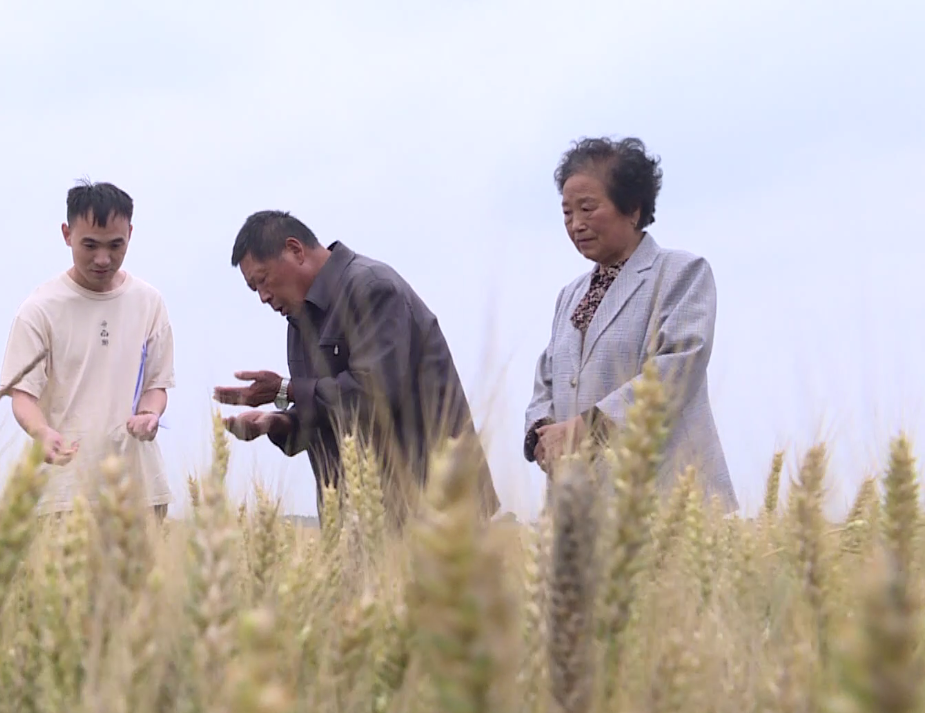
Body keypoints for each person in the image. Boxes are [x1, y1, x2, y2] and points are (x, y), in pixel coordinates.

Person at [213, 210, 499, 528]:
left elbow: (373, 396)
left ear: (295, 250)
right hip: (361, 520)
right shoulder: (298, 320)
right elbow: (329, 408)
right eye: (253, 289)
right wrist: (279, 422)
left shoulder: (373, 288)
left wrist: (284, 389)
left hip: (437, 512)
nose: (263, 297)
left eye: (263, 280)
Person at [523, 136, 737, 512]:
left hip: (669, 501)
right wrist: (543, 432)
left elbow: (677, 368)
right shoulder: (569, 295)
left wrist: (585, 429)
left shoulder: (680, 273)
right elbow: (547, 377)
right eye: (567, 213)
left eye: (587, 208)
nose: (576, 225)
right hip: (584, 507)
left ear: (633, 208)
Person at [0, 179, 176, 519]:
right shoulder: (40, 309)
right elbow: (22, 396)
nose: (103, 259)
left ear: (130, 235)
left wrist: (149, 414)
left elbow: (157, 385)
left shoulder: (149, 302)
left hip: (140, 488)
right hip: (64, 492)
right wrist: (41, 431)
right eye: (90, 245)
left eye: (115, 245)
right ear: (67, 235)